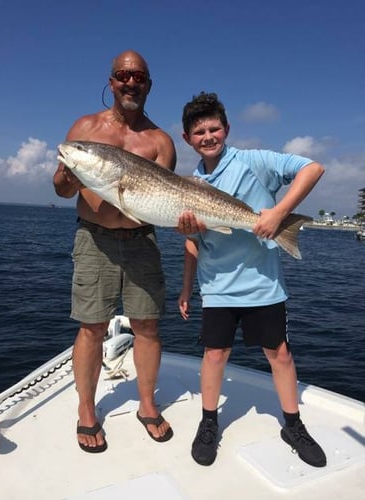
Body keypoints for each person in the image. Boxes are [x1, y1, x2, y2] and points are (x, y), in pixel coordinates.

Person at [177, 92, 327, 468]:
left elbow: (313, 168)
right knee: (214, 355)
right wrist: (186, 288)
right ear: (187, 139)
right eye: (199, 132)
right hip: (217, 286)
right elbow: (194, 244)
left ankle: (292, 424)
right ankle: (208, 422)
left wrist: (278, 214)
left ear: (226, 129)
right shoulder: (189, 185)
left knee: (279, 353)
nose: (208, 136)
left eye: (213, 128)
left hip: (263, 282)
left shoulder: (254, 161)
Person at [53, 50, 177, 452]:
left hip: (142, 241)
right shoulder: (86, 128)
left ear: (148, 84)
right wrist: (66, 178)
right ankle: (87, 411)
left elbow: (166, 201)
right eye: (123, 75)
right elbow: (61, 187)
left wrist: (189, 221)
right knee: (91, 326)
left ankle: (146, 404)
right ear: (111, 82)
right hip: (95, 239)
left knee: (147, 326)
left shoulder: (160, 141)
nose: (130, 83)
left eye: (138, 76)